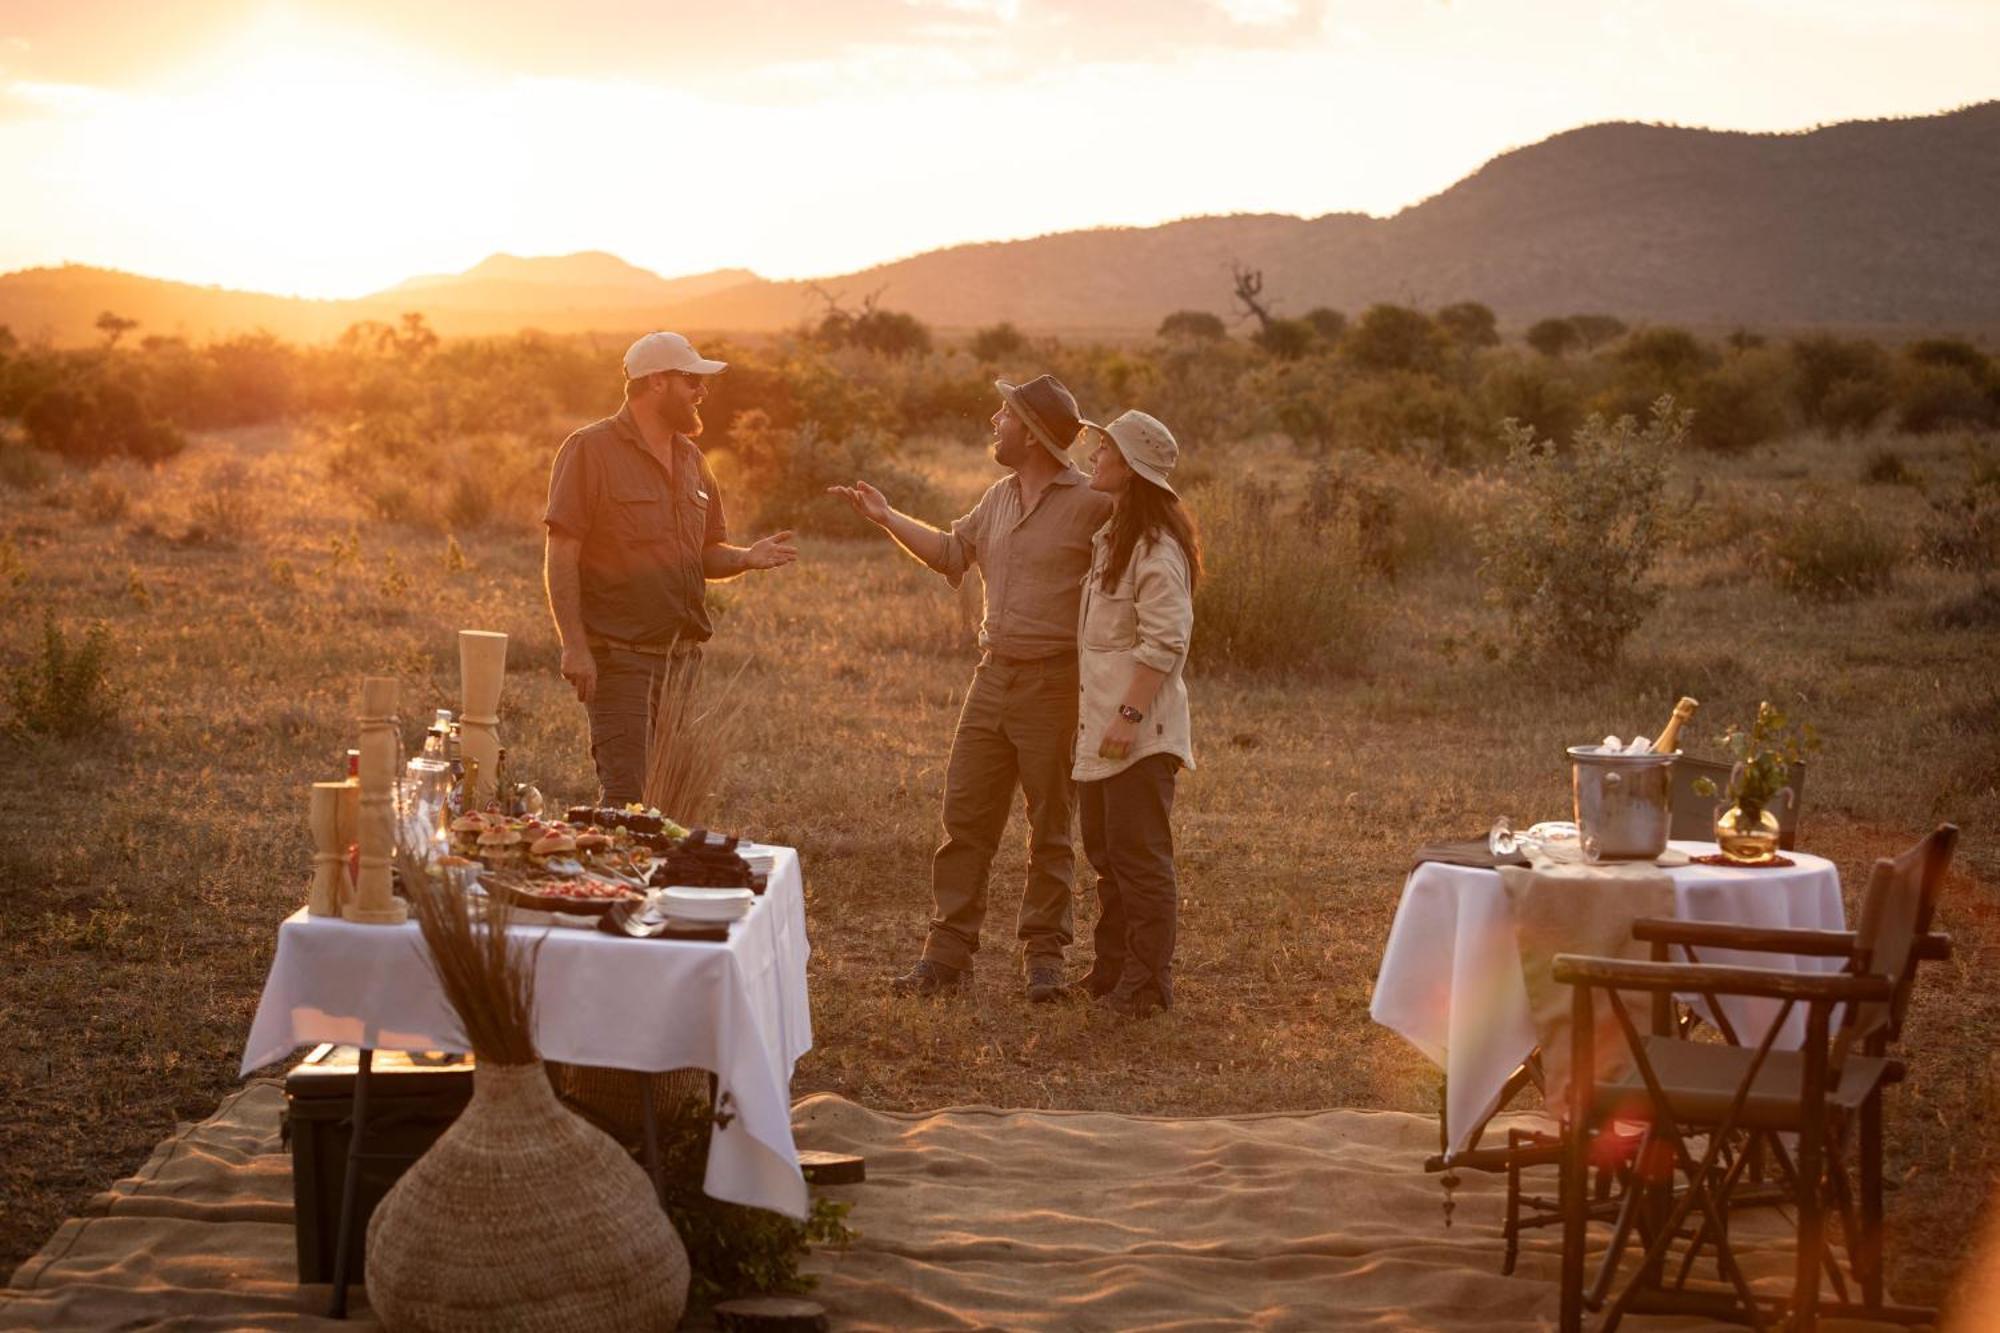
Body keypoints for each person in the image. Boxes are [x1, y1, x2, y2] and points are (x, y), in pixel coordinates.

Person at [828, 375, 1112, 1001]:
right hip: (993, 677)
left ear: (1033, 435)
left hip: (1057, 684)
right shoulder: (999, 497)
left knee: (1051, 826)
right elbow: (954, 552)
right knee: (964, 820)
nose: (993, 421)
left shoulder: (1094, 505)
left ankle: (1044, 958)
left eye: (1005, 416)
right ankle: (947, 955)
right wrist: (885, 517)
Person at [542, 332, 798, 806]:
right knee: (627, 798)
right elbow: (561, 553)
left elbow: (705, 552)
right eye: (692, 380)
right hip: (621, 660)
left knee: (671, 800)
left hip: (682, 664)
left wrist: (744, 558)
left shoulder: (692, 459)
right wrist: (574, 647)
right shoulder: (589, 450)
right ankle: (615, 879)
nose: (702, 391)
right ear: (656, 382)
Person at [1067, 410, 1200, 1019]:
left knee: (1139, 858)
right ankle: (1113, 970)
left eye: (1104, 450)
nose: (1093, 456)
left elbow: (1166, 641)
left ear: (1130, 468)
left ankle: (1147, 986)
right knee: (1107, 852)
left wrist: (1127, 715)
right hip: (1105, 727)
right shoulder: (1114, 536)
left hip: (1137, 731)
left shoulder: (1155, 546)